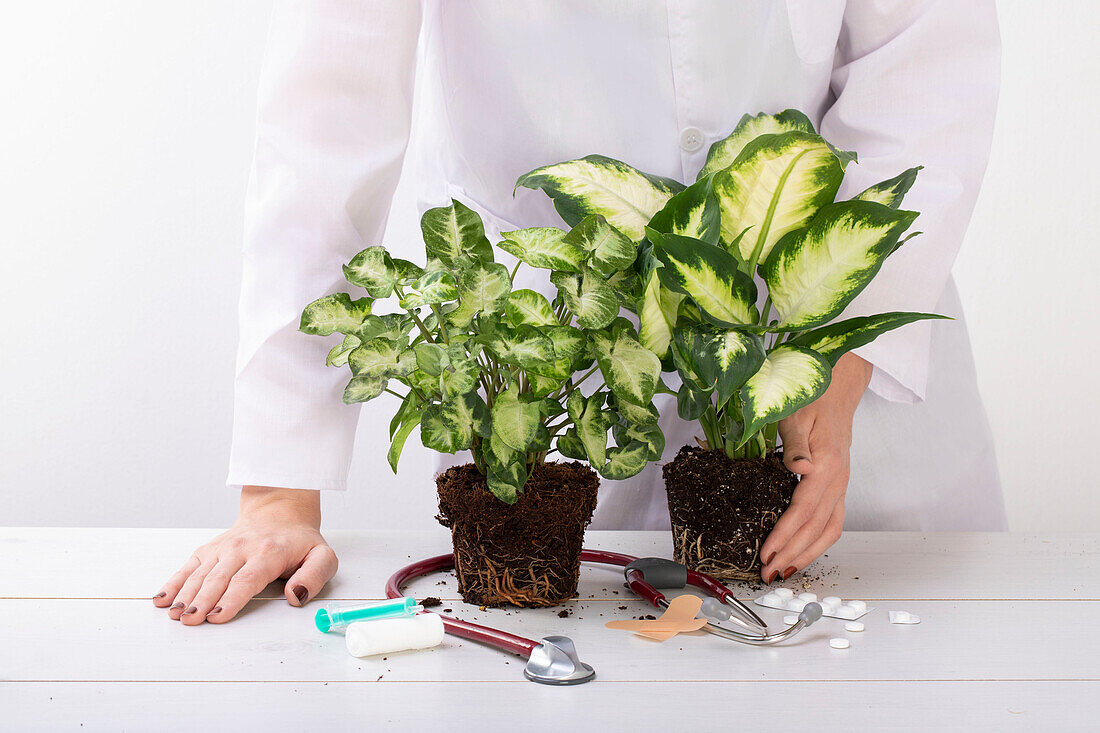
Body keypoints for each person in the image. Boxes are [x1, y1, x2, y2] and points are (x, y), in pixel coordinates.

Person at [154, 0, 1007, 625]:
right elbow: (323, 129)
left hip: (838, 365)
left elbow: (926, 62)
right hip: (563, 363)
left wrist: (844, 354)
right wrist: (277, 495)